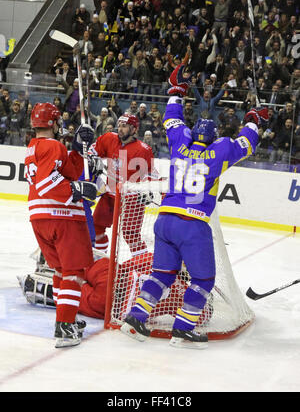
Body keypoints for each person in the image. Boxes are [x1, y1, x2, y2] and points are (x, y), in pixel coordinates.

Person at [120, 61, 269, 349]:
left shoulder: (180, 143)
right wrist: (253, 118)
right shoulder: (220, 150)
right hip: (192, 224)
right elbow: (247, 143)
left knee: (161, 274)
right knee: (202, 280)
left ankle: (135, 318)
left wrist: (176, 91)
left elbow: (172, 119)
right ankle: (183, 330)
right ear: (212, 138)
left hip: (165, 220)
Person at [25, 102, 97, 348]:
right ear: (54, 123)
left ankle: (66, 317)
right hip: (62, 216)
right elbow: (49, 183)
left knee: (59, 271)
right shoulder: (53, 145)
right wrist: (77, 190)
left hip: (40, 217)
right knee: (74, 272)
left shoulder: (34, 147)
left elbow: (68, 170)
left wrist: (77, 149)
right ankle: (65, 327)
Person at [89, 113, 156, 255]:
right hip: (110, 195)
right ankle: (101, 259)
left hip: (131, 199)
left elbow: (150, 174)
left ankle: (141, 266)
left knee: (130, 235)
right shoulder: (109, 138)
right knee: (96, 226)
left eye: (124, 126)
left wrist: (147, 189)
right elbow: (92, 151)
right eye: (119, 125)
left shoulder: (143, 149)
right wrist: (93, 160)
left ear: (134, 129)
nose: (120, 129)